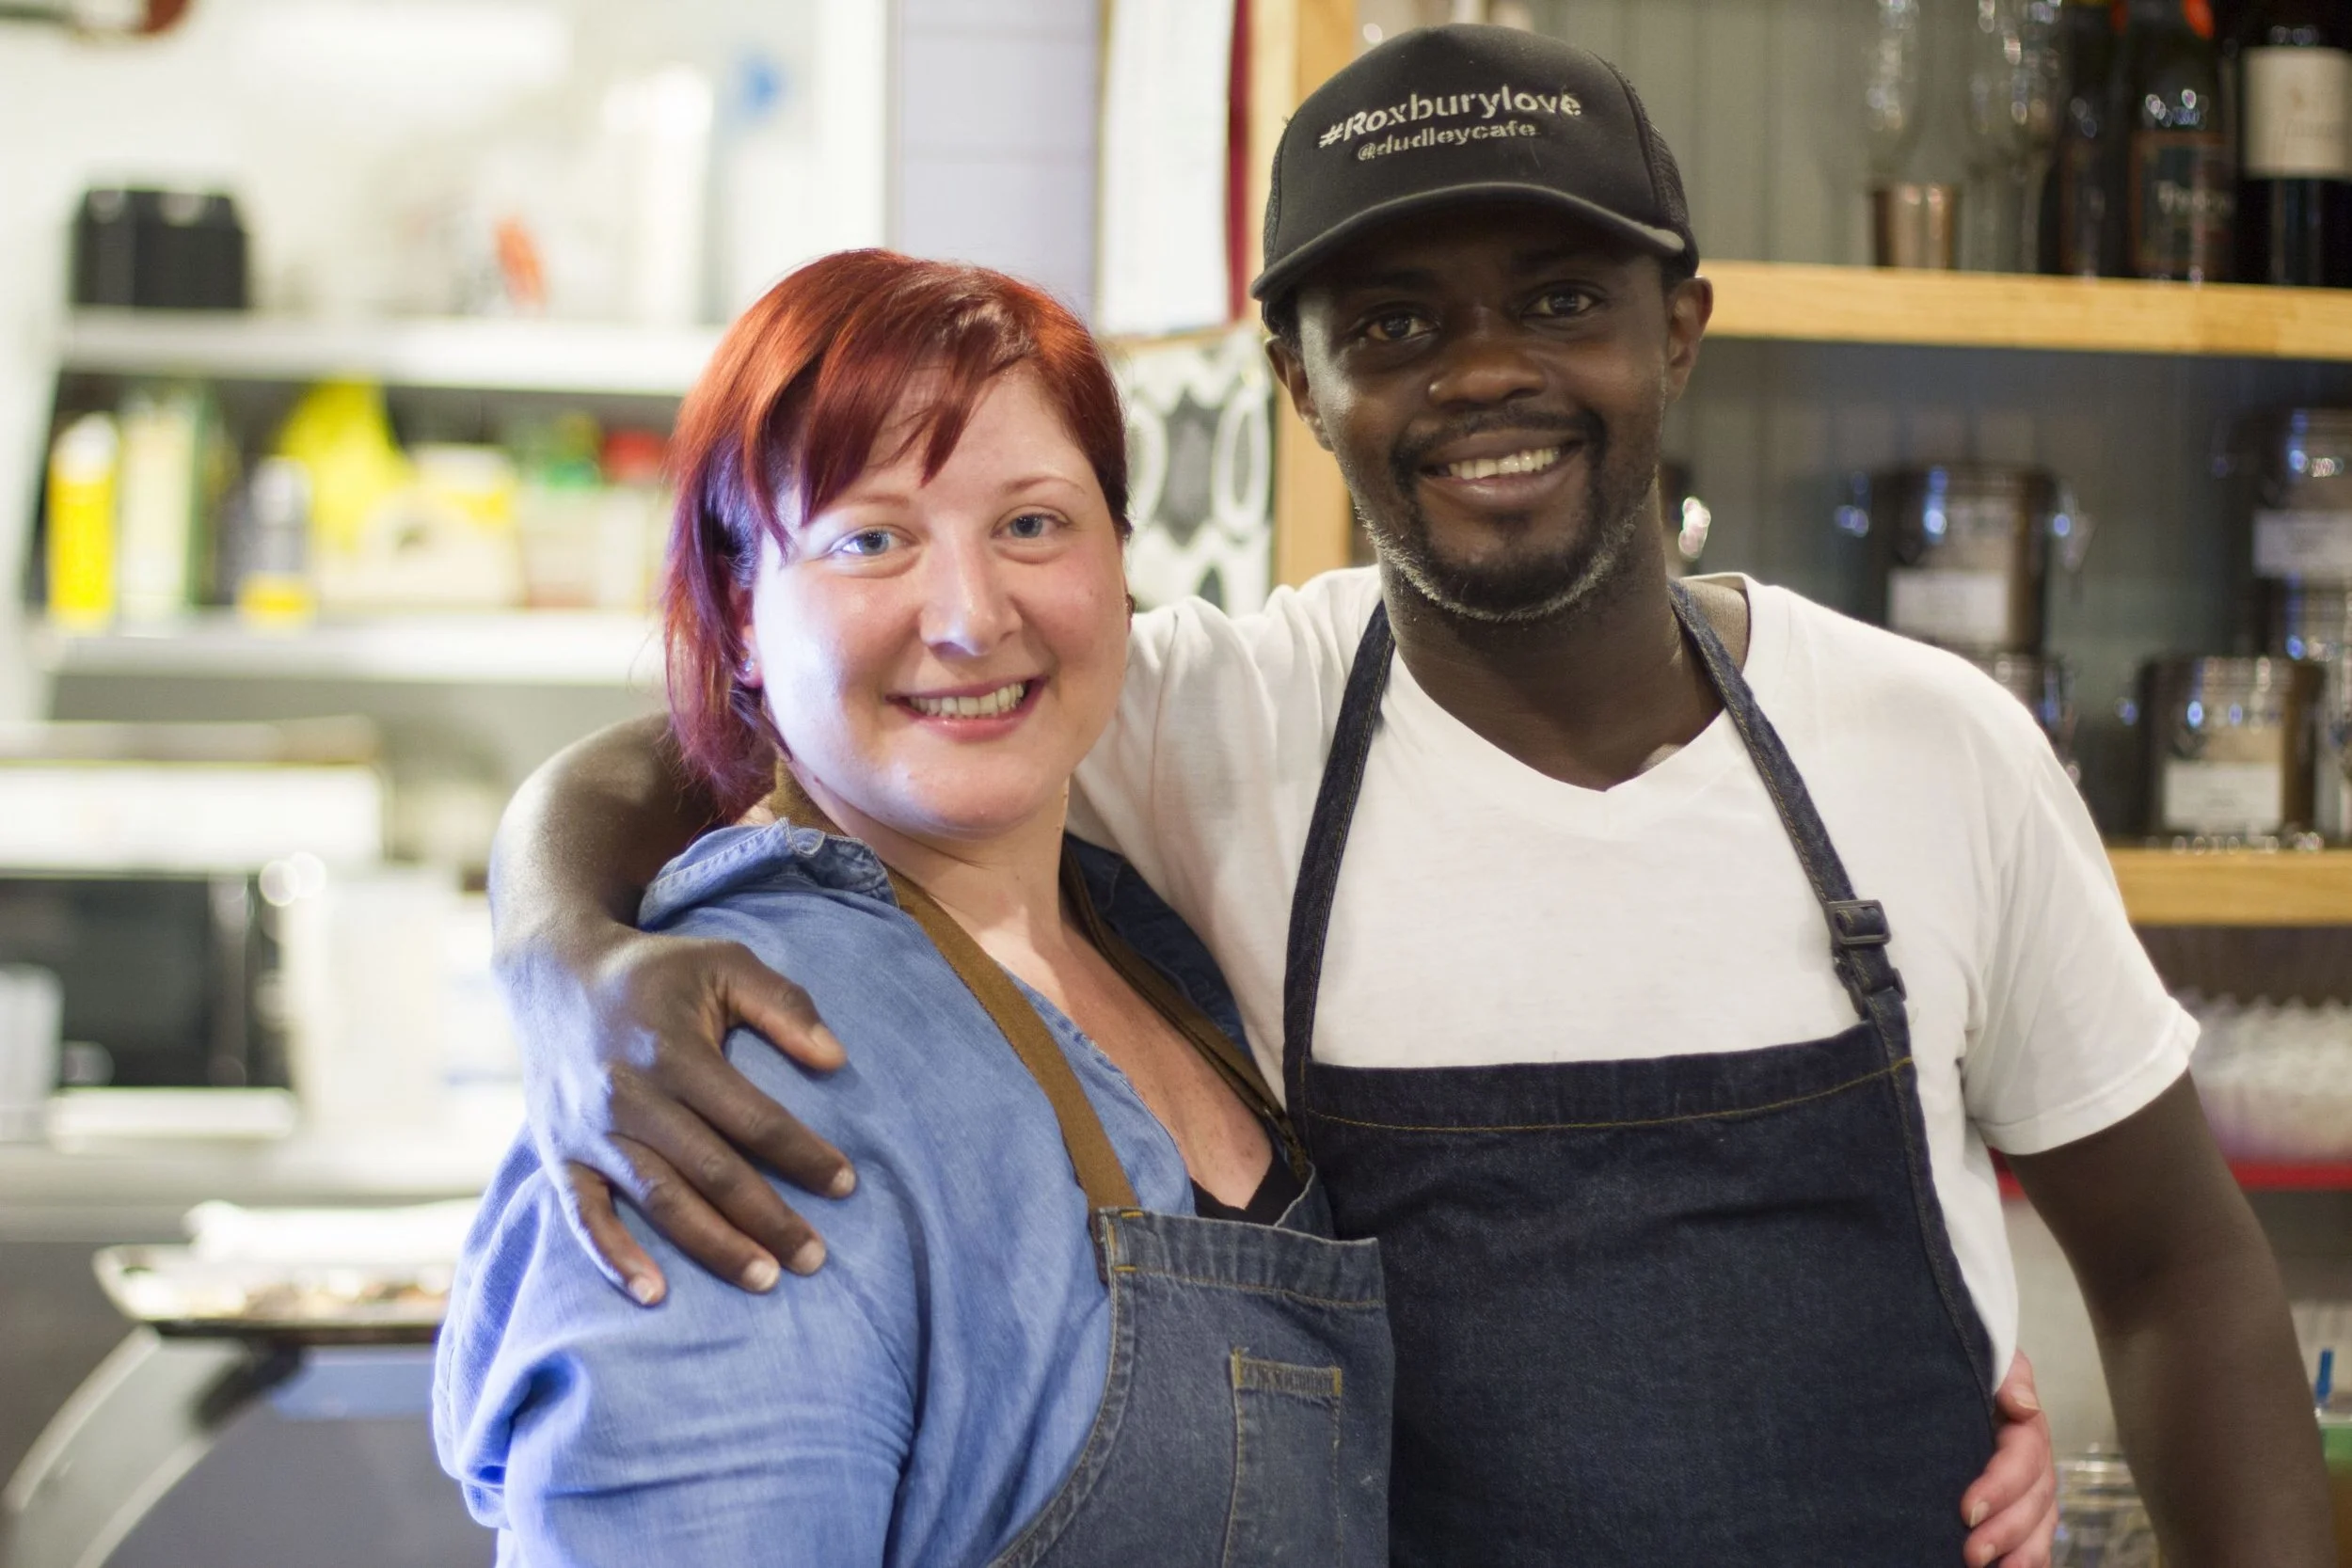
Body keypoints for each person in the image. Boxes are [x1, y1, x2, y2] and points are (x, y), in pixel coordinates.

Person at [483, 24, 2335, 1566]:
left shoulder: (1933, 746)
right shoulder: (1212, 717)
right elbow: (760, 725)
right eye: (1389, 325)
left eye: (1561, 298)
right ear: (1298, 382)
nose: (1485, 372)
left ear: (1678, 326)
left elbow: (2179, 1268)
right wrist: (566, 952)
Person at [434, 252, 1394, 1565]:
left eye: (1033, 524)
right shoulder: (729, 1073)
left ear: (1122, 559)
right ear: (741, 613)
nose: (970, 617)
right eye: (872, 539)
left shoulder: (1145, 934)